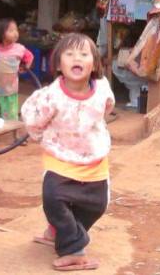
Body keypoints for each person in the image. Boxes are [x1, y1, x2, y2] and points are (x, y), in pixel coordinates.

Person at [21, 33, 115, 272]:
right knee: (54, 198)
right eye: (70, 54)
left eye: (84, 54)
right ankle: (74, 249)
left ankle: (59, 230)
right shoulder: (52, 96)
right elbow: (32, 118)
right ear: (58, 63)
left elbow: (108, 106)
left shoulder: (102, 88)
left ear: (94, 63)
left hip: (94, 157)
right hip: (60, 158)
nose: (77, 58)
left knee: (97, 204)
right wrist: (44, 138)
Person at [0, 18, 34, 121]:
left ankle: (8, 133)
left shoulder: (20, 49)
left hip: (9, 89)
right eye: (11, 31)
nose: (15, 33)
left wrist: (26, 67)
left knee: (9, 115)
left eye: (16, 30)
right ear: (1, 34)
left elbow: (30, 57)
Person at [111, 24, 147, 110]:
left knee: (136, 88)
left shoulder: (128, 49)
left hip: (136, 73)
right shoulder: (139, 46)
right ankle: (136, 102)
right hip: (139, 74)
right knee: (138, 88)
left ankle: (136, 102)